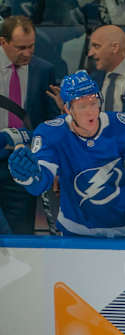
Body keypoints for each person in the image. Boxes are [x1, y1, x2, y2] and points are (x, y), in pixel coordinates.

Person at [7, 70, 125, 239]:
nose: (90, 112)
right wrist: (29, 177)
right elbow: (42, 183)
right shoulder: (51, 133)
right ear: (67, 108)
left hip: (122, 229)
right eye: (82, 106)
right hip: (73, 231)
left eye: (93, 103)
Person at [0, 14, 58, 234]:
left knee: (20, 232)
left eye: (31, 46)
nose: (27, 53)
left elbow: (50, 121)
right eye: (20, 47)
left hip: (24, 161)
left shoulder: (44, 70)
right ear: (2, 42)